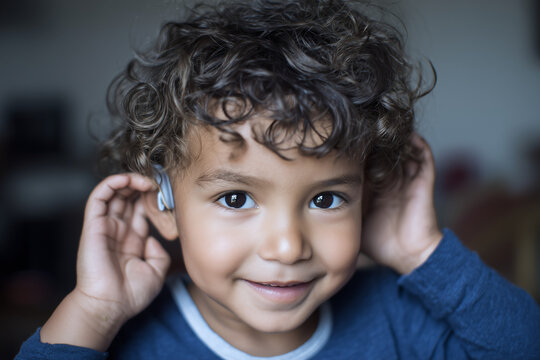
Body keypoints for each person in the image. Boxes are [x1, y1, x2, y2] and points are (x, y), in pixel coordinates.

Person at [16, 0, 540, 359]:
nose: (288, 247)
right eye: (237, 197)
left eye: (328, 197)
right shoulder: (125, 339)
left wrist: (423, 252)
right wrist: (94, 312)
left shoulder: (397, 318)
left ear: (369, 194)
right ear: (163, 205)